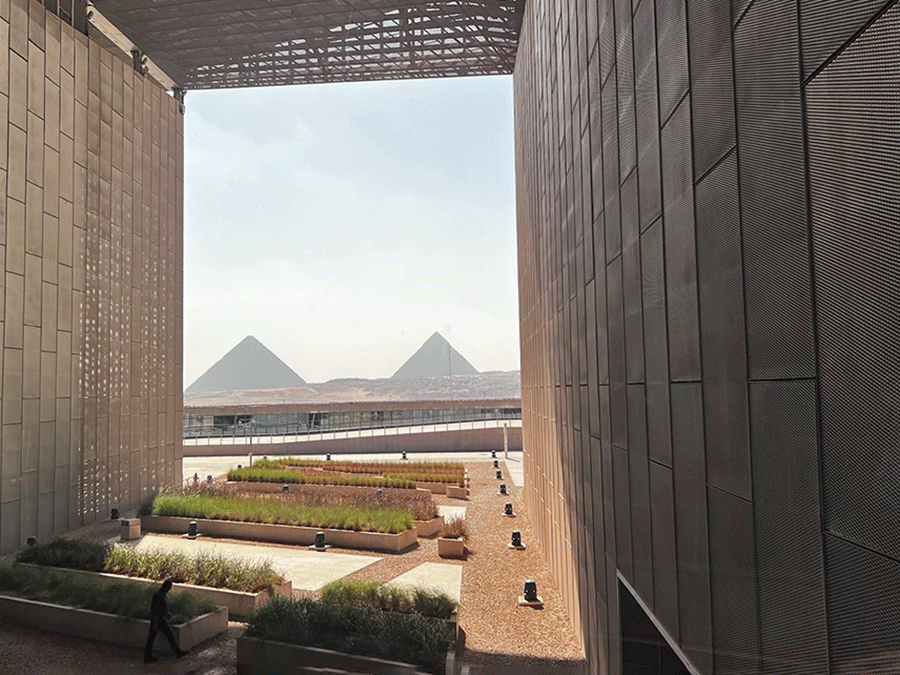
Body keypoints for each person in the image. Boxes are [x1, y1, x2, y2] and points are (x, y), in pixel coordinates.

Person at [144, 579, 188, 663]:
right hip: (158, 620)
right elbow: (156, 609)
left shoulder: (160, 594)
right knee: (162, 637)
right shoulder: (159, 595)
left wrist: (166, 613)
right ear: (166, 586)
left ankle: (148, 656)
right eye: (169, 588)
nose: (169, 590)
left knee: (157, 638)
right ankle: (177, 652)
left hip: (158, 620)